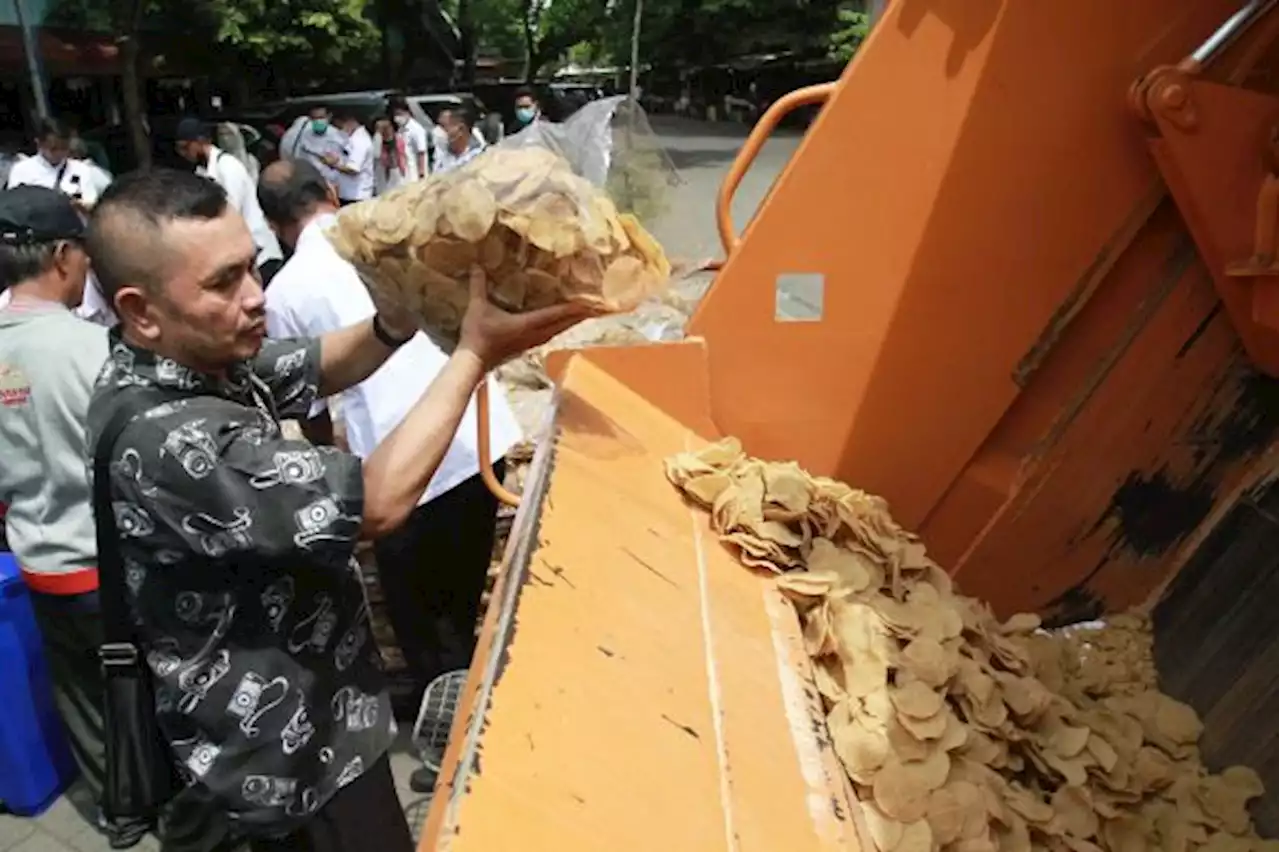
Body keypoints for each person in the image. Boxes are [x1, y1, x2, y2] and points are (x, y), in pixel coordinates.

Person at [82, 167, 594, 852]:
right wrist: (473, 354)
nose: (256, 297)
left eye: (251, 269)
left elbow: (317, 364)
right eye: (223, 283)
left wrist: (398, 317)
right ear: (140, 309)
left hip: (324, 732)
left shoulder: (188, 359)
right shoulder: (173, 438)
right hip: (277, 774)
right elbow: (377, 502)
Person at [258, 159, 523, 789]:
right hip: (477, 436)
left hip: (407, 468)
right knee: (460, 601)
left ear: (272, 224)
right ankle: (474, 714)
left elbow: (313, 410)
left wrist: (334, 465)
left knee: (420, 618)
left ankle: (457, 748)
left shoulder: (285, 291)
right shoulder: (394, 240)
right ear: (328, 192)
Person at [0, 186, 122, 837]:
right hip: (106, 565)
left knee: (80, 700)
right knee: (137, 692)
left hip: (38, 564)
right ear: (64, 255)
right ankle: (165, 808)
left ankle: (115, 810)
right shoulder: (94, 351)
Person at [175, 117, 285, 284]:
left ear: (200, 141)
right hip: (242, 257)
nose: (183, 154)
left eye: (185, 147)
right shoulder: (201, 173)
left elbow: (229, 215)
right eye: (179, 149)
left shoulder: (228, 167)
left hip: (261, 255)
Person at [6, 118, 94, 213]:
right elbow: (14, 207)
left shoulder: (81, 169)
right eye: (54, 149)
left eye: (64, 148)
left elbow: (91, 202)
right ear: (39, 144)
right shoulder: (21, 170)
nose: (59, 153)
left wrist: (80, 205)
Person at [280, 105, 347, 186]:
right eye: (315, 118)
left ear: (329, 116)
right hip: (309, 180)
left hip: (328, 182)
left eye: (321, 117)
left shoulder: (336, 135)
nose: (318, 121)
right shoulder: (304, 135)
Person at [324, 108, 375, 205]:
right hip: (348, 192)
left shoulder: (360, 141)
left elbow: (353, 169)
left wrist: (333, 165)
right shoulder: (352, 138)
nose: (339, 130)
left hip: (356, 195)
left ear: (349, 121)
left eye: (340, 126)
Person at [433, 107, 486, 175]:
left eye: (443, 126)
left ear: (461, 129)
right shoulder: (442, 156)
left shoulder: (478, 157)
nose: (438, 131)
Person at [388, 98, 428, 181]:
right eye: (395, 115)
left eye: (399, 114)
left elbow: (421, 153)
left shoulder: (416, 129)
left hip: (414, 172)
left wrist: (421, 173)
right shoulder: (400, 129)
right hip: (404, 171)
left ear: (407, 112)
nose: (396, 118)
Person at [372, 116, 412, 195]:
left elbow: (394, 163)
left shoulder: (398, 140)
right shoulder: (377, 141)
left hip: (396, 177)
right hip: (382, 178)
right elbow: (376, 155)